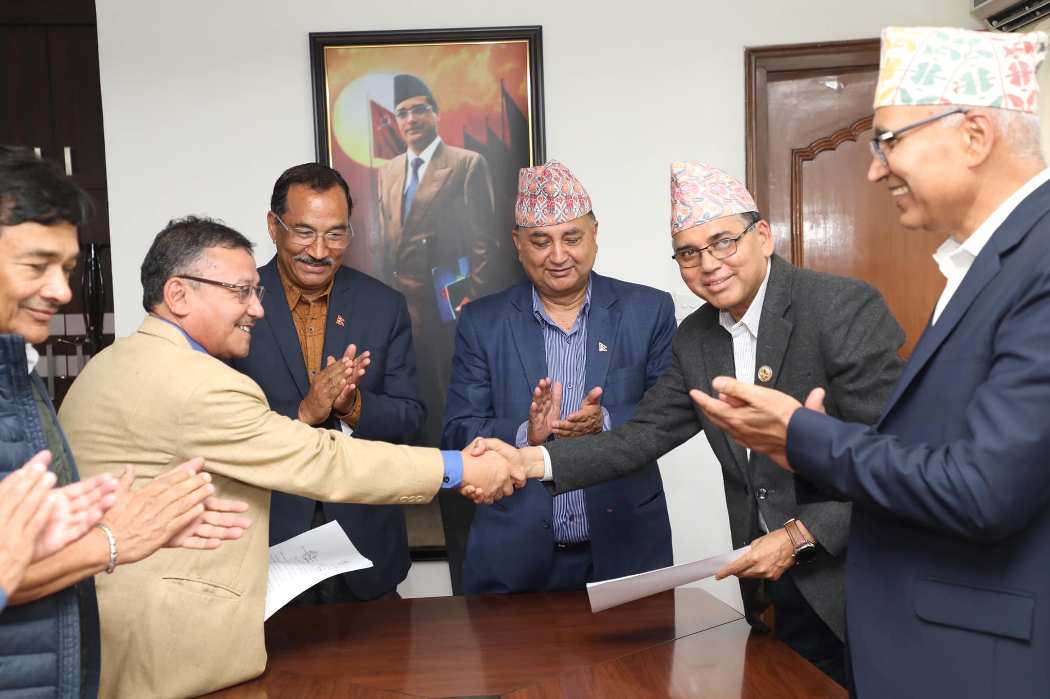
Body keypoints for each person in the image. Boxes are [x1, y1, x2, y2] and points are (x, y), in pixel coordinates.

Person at [691, 27, 1050, 698]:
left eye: (889, 141)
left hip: (978, 664)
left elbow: (985, 489)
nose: (874, 169)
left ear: (974, 135)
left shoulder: (1041, 259)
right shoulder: (989, 263)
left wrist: (806, 438)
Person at [471, 162, 906, 683]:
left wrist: (800, 535)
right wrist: (529, 460)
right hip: (774, 591)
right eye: (689, 253)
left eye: (723, 242)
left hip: (858, 582)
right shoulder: (698, 337)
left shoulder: (840, 308)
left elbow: (895, 455)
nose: (709, 265)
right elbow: (641, 436)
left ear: (763, 237)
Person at [59, 215, 523, 698]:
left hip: (106, 626)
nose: (257, 309)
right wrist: (461, 467)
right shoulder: (199, 384)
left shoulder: (110, 363)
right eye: (241, 292)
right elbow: (324, 461)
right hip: (162, 646)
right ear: (178, 294)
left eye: (256, 291)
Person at [0, 147, 248, 698]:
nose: (62, 291)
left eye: (66, 269)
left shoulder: (17, 370)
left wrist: (102, 523)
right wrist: (111, 542)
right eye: (36, 266)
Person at [444, 160, 675, 594]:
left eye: (572, 238)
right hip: (515, 556)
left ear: (594, 235)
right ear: (518, 243)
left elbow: (669, 417)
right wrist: (525, 434)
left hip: (626, 545)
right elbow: (459, 430)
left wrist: (606, 422)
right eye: (540, 241)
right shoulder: (482, 322)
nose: (558, 255)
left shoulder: (649, 310)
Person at [232, 163, 421, 604]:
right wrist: (303, 413)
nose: (319, 251)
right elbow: (213, 424)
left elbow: (411, 418)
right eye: (304, 232)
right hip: (267, 541)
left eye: (335, 235)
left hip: (366, 543)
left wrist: (352, 406)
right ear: (273, 227)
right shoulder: (235, 302)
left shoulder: (383, 306)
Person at [377, 73, 498, 445]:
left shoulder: (466, 164)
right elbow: (386, 241)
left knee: (447, 400)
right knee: (407, 399)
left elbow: (484, 242)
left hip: (447, 309)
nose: (410, 119)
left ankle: (456, 473)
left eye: (418, 110)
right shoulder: (388, 171)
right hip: (399, 310)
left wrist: (473, 299)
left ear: (435, 113)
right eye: (402, 113)